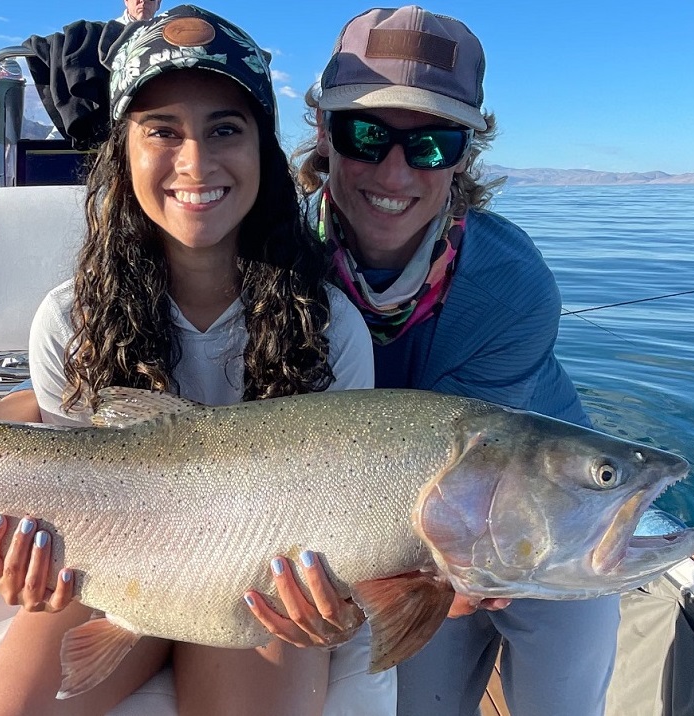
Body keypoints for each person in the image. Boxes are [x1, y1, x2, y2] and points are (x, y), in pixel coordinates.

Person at [0, 6, 388, 715]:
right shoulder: (67, 321)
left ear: (262, 152)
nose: (195, 162)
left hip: (261, 588)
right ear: (120, 152)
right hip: (109, 568)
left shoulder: (331, 324)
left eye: (225, 129)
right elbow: (67, 480)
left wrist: (341, 604)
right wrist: (5, 542)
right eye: (161, 131)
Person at [256, 6, 621, 716]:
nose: (393, 169)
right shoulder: (271, 266)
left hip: (547, 502)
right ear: (324, 138)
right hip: (397, 532)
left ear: (462, 156)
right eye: (364, 134)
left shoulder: (510, 284)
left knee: (563, 696)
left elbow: (479, 481)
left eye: (430, 143)